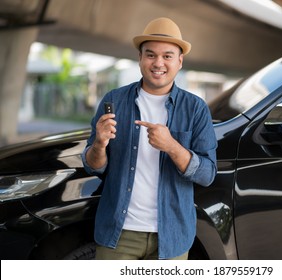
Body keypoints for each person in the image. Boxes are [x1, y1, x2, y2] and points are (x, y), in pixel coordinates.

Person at [82, 17, 217, 260]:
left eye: (167, 56)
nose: (158, 63)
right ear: (140, 58)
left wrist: (172, 146)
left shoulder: (196, 108)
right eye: (151, 54)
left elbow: (207, 174)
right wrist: (99, 144)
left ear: (179, 61)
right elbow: (92, 166)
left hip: (172, 235)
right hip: (118, 233)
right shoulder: (114, 101)